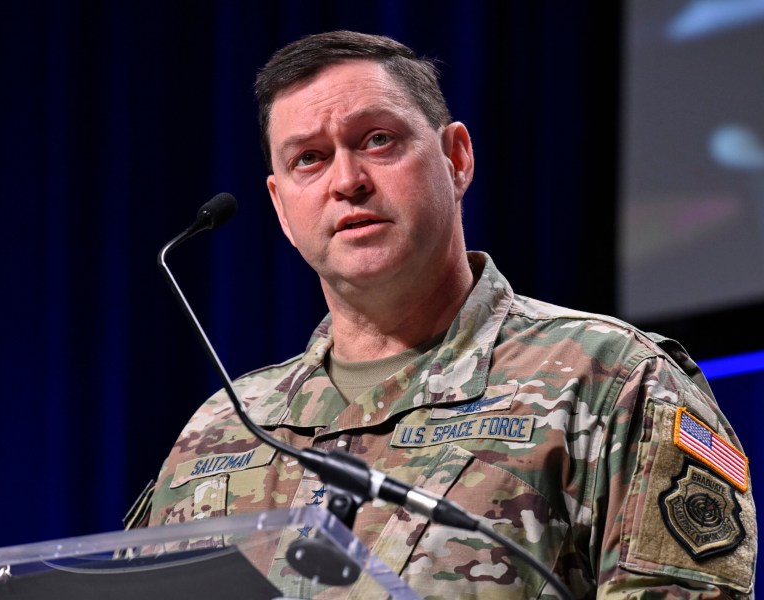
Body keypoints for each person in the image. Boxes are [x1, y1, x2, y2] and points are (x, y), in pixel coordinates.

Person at [138, 31, 756, 598]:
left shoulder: (612, 381)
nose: (347, 180)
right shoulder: (219, 429)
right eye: (309, 159)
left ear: (456, 158)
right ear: (281, 207)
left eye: (377, 140)